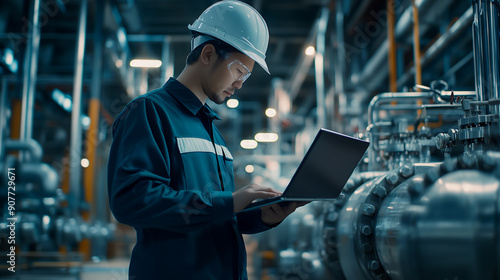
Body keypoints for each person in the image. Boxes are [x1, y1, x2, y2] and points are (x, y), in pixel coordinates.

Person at [107, 1, 304, 279]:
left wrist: (261, 216)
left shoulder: (213, 131)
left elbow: (210, 218)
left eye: (246, 76)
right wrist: (227, 203)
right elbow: (133, 201)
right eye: (238, 71)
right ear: (209, 54)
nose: (240, 84)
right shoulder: (149, 112)